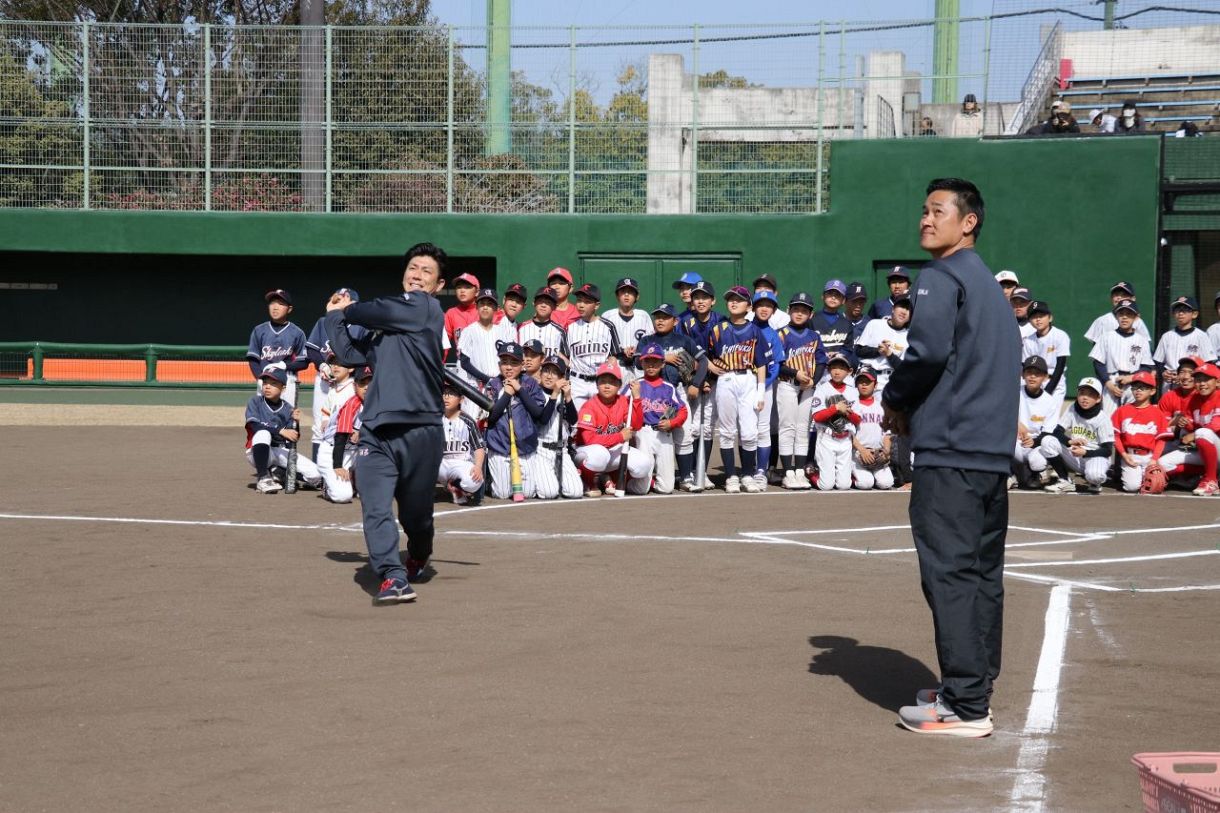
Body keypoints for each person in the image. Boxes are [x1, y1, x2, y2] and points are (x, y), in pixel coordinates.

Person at [884, 177, 1019, 738]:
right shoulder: (988, 283)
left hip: (951, 450)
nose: (925, 219)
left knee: (950, 574)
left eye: (937, 210)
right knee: (982, 574)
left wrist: (894, 400)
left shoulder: (940, 277)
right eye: (923, 210)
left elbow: (927, 352)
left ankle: (964, 706)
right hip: (989, 454)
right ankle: (974, 685)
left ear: (968, 222)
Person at [324, 242, 449, 604]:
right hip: (376, 430)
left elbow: (372, 310)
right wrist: (335, 317)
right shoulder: (387, 326)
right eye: (413, 268)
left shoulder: (425, 307)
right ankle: (392, 576)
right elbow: (349, 354)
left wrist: (348, 309)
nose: (418, 275)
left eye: (427, 271)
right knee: (375, 507)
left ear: (438, 286)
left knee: (417, 517)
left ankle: (419, 553)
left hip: (420, 429)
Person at [638, 303, 707, 491]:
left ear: (675, 321)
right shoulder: (647, 340)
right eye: (657, 317)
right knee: (654, 436)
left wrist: (695, 383)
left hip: (677, 391)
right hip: (652, 393)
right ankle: (649, 476)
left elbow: (703, 360)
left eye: (665, 317)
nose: (660, 320)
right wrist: (664, 357)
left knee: (683, 435)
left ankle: (685, 477)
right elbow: (637, 361)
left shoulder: (684, 340)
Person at [709, 286, 771, 493]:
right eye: (730, 299)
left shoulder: (754, 330)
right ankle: (731, 476)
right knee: (727, 431)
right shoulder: (718, 329)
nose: (734, 302)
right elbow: (707, 356)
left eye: (739, 300)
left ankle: (747, 474)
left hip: (748, 380)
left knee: (749, 432)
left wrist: (761, 391)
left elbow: (761, 362)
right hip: (726, 379)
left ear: (749, 306)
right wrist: (710, 368)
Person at [304, 287, 364, 462]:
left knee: (349, 423)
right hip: (324, 381)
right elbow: (312, 349)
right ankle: (319, 471)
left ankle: (347, 466)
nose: (338, 304)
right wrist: (322, 365)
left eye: (343, 300)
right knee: (319, 426)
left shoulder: (361, 326)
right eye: (336, 300)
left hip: (349, 382)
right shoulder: (323, 322)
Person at [775, 291, 827, 490]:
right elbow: (776, 363)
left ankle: (799, 471)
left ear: (810, 314)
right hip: (787, 383)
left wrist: (813, 380)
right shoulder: (782, 333)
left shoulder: (814, 336)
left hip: (807, 387)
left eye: (804, 310)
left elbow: (821, 361)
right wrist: (795, 373)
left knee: (803, 429)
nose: (799, 313)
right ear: (789, 310)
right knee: (787, 427)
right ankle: (788, 471)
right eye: (796, 309)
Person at [573, 361, 648, 497]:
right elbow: (589, 439)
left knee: (643, 464)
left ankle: (610, 479)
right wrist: (619, 437)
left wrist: (637, 398)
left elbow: (636, 426)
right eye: (603, 381)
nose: (607, 385)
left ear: (619, 385)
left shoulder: (623, 401)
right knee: (600, 454)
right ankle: (588, 482)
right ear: (597, 384)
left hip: (609, 451)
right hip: (585, 453)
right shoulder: (589, 406)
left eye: (612, 382)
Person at [244, 364, 322, 494]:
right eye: (265, 383)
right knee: (263, 433)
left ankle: (279, 473)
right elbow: (255, 426)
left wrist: (296, 423)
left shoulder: (288, 409)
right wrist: (280, 430)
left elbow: (293, 438)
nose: (267, 386)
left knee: (316, 474)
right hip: (257, 451)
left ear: (283, 388)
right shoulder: (255, 401)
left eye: (273, 383)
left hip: (279, 451)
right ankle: (263, 477)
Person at [484, 341, 547, 500]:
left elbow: (538, 413)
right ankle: (490, 479)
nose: (509, 367)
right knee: (502, 494)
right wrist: (506, 394)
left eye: (513, 363)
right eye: (504, 363)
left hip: (525, 446)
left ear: (522, 364)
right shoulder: (493, 384)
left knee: (528, 493)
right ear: (499, 365)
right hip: (499, 445)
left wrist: (519, 389)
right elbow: (491, 417)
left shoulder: (530, 384)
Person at [681, 280, 727, 485]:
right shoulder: (686, 322)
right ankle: (689, 471)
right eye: (697, 297)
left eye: (704, 298)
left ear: (713, 301)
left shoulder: (721, 321)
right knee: (692, 427)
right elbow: (685, 355)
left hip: (716, 381)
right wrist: (699, 378)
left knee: (707, 426)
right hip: (692, 380)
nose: (700, 301)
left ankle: (702, 471)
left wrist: (710, 377)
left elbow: (724, 354)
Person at [631, 342, 690, 494]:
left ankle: (651, 481)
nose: (651, 365)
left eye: (655, 361)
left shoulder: (668, 387)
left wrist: (672, 422)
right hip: (643, 432)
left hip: (664, 433)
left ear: (663, 364)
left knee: (666, 488)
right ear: (641, 362)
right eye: (647, 361)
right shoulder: (636, 385)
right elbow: (622, 409)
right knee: (641, 489)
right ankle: (629, 481)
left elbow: (682, 411)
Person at [1040, 378, 1115, 495]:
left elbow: (1107, 450)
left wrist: (1085, 452)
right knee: (1047, 441)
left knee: (1095, 476)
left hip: (1095, 456)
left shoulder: (1103, 419)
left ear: (1098, 398)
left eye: (1090, 394)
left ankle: (1094, 482)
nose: (1085, 397)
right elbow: (1057, 431)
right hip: (1075, 455)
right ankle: (1065, 480)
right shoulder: (1072, 408)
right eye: (1082, 393)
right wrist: (1070, 441)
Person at [1159, 363, 1220, 496]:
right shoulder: (1194, 399)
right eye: (1198, 380)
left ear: (1217, 382)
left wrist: (1193, 434)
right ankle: (1203, 475)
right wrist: (1185, 424)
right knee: (1162, 464)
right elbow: (1191, 423)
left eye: (1206, 379)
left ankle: (1211, 480)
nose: (1202, 383)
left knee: (1203, 433)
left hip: (1216, 445)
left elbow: (1216, 424)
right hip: (1208, 451)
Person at [1089, 298, 1154, 414]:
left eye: (1129, 314)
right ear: (1116, 316)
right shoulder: (1106, 337)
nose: (1124, 317)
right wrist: (1108, 383)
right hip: (1111, 381)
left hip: (1134, 383)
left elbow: (1147, 367)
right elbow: (1098, 362)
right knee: (1109, 419)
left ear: (1136, 317)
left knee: (1131, 418)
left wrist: (1131, 378)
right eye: (1121, 314)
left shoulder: (1142, 340)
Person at [456, 287, 511, 420]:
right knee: (473, 423)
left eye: (489, 304)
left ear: (496, 308)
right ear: (477, 306)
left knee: (499, 423)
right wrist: (487, 379)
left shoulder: (503, 331)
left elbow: (509, 359)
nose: (485, 307)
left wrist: (498, 380)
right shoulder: (468, 331)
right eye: (482, 304)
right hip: (476, 386)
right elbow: (464, 362)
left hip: (499, 384)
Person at [1111, 372, 1171, 493]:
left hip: (1150, 456)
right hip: (1130, 456)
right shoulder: (1122, 411)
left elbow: (1161, 440)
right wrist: (1124, 455)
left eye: (1142, 388)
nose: (1138, 391)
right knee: (1131, 487)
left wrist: (1154, 459)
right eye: (1135, 387)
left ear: (1152, 391)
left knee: (1155, 486)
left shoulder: (1158, 413)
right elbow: (1115, 436)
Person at [532, 355, 583, 499]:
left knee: (575, 492)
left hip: (562, 450)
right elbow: (543, 420)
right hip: (541, 450)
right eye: (546, 371)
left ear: (561, 377)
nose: (549, 376)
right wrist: (554, 394)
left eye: (554, 373)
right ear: (540, 373)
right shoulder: (534, 392)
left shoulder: (564, 395)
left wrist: (568, 397)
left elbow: (573, 419)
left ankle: (553, 478)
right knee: (549, 492)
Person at [247, 288, 308, 405]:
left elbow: (304, 362)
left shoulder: (297, 332)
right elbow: (253, 359)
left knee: (288, 419)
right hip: (266, 379)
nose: (275, 307)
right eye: (272, 303)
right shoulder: (259, 330)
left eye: (280, 304)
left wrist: (284, 365)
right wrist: (260, 378)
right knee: (264, 418)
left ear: (289, 309)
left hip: (288, 380)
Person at [750, 291, 786, 487]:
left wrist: (763, 386)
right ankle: (747, 469)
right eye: (760, 304)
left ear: (773, 310)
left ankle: (761, 470)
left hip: (765, 388)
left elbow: (776, 365)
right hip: (745, 387)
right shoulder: (745, 328)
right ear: (753, 307)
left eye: (769, 305)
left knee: (763, 429)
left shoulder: (773, 334)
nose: (764, 308)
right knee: (745, 430)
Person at [566, 283, 622, 407]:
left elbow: (613, 355)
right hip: (577, 382)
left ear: (596, 305)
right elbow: (564, 354)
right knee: (576, 424)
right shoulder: (570, 327)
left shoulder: (608, 326)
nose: (581, 305)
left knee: (601, 422)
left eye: (586, 302)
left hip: (600, 382)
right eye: (579, 301)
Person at [321, 367, 370, 504]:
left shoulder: (380, 404)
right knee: (343, 496)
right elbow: (341, 437)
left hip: (358, 452)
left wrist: (363, 433)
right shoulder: (351, 405)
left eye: (371, 383)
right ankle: (327, 486)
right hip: (334, 450)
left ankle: (357, 480)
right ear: (355, 386)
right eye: (362, 383)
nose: (367, 387)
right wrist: (337, 466)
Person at [810, 354, 860, 491]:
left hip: (845, 440)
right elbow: (817, 417)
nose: (837, 371)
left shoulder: (853, 391)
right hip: (827, 437)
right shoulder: (822, 389)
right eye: (833, 368)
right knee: (826, 486)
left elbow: (858, 420)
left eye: (841, 368)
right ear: (828, 369)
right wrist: (836, 408)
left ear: (849, 371)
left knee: (844, 486)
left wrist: (847, 412)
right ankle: (811, 473)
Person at [437, 382, 486, 505]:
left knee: (474, 481)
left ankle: (456, 486)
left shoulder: (468, 421)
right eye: (444, 394)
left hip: (461, 463)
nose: (446, 397)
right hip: (440, 463)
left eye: (452, 394)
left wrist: (478, 466)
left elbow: (479, 447)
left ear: (461, 399)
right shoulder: (434, 418)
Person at [1153, 296, 1214, 392]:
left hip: (1192, 381)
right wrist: (1163, 372)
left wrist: (1194, 375)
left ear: (1194, 314)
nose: (1181, 313)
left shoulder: (1201, 336)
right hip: (1170, 382)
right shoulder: (1167, 336)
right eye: (1177, 310)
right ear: (1173, 314)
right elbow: (1158, 362)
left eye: (1185, 310)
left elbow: (1208, 362)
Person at [855, 297, 910, 392]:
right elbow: (859, 351)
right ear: (893, 309)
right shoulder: (875, 324)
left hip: (888, 381)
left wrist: (889, 354)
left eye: (908, 309)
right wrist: (878, 350)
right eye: (901, 307)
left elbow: (904, 368)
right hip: (864, 377)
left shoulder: (909, 336)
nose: (904, 312)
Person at [603, 277, 653, 382]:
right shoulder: (607, 316)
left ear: (637, 297)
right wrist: (620, 351)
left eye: (630, 292)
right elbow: (601, 344)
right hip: (615, 365)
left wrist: (638, 350)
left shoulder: (644, 316)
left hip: (638, 367)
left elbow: (650, 343)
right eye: (623, 292)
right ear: (617, 296)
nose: (626, 295)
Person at [850, 369, 892, 490]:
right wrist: (862, 450)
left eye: (867, 382)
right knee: (866, 484)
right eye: (860, 381)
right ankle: (848, 475)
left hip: (878, 453)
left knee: (886, 484)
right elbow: (848, 434)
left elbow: (887, 434)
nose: (863, 384)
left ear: (876, 385)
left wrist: (887, 450)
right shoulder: (852, 405)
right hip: (858, 454)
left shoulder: (881, 406)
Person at [1021, 301, 1070, 403]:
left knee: (1051, 417)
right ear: (1029, 321)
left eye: (1042, 315)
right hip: (1034, 381)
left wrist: (1047, 391)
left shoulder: (1060, 336)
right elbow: (1024, 366)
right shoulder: (1028, 340)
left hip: (1055, 382)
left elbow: (1060, 367)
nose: (1038, 319)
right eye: (1034, 317)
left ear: (1050, 318)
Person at [1084, 281, 1151, 344]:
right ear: (1111, 298)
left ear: (1133, 299)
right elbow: (1096, 349)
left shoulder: (1138, 322)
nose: (1119, 297)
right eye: (1116, 295)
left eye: (1123, 295)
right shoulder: (1102, 321)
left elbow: (1145, 345)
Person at [810, 279, 856, 367]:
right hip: (816, 366)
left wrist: (838, 355)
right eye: (830, 294)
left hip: (838, 367)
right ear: (823, 296)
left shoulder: (846, 323)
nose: (833, 297)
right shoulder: (812, 320)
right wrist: (823, 354)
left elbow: (848, 348)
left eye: (838, 295)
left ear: (843, 301)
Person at [517, 287, 568, 361]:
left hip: (549, 372)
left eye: (548, 302)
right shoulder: (521, 328)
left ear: (554, 307)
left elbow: (565, 358)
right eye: (540, 301)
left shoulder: (560, 331)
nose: (543, 305)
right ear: (534, 303)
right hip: (525, 371)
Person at [443, 272, 480, 348]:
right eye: (459, 287)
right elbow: (444, 344)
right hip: (462, 359)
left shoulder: (485, 310)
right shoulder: (451, 313)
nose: (462, 290)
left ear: (477, 292)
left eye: (467, 287)